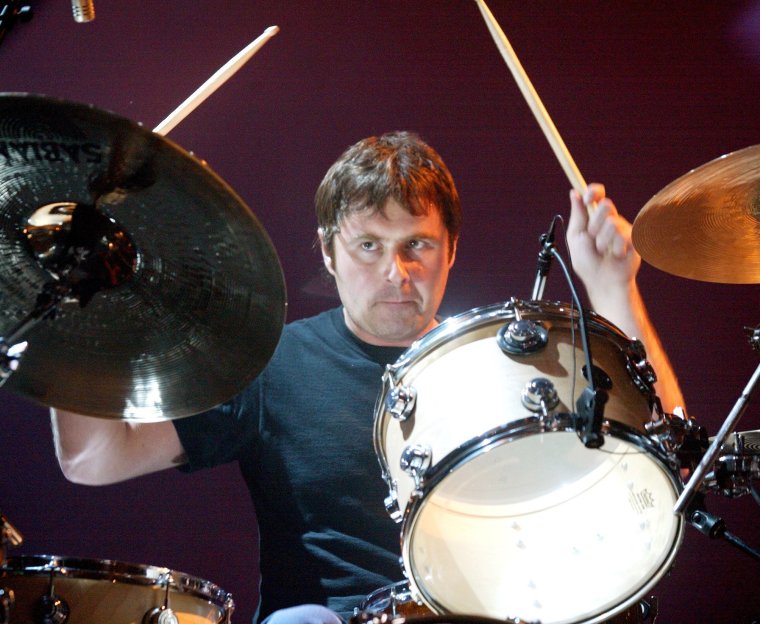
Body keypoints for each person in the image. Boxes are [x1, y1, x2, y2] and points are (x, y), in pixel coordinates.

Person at [51, 131, 684, 624]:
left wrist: (613, 287)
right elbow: (95, 457)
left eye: (418, 244)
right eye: (369, 246)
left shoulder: (506, 360)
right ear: (328, 252)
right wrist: (66, 301)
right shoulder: (271, 367)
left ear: (452, 249)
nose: (396, 272)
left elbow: (667, 455)